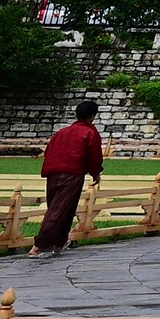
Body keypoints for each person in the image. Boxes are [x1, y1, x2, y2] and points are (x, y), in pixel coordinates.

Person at [35, 98, 106, 255]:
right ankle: (39, 246)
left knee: (63, 208)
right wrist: (96, 173)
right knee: (59, 209)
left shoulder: (62, 132)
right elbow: (94, 156)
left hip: (53, 172)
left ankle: (59, 243)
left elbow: (48, 152)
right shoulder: (89, 132)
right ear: (92, 116)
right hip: (72, 173)